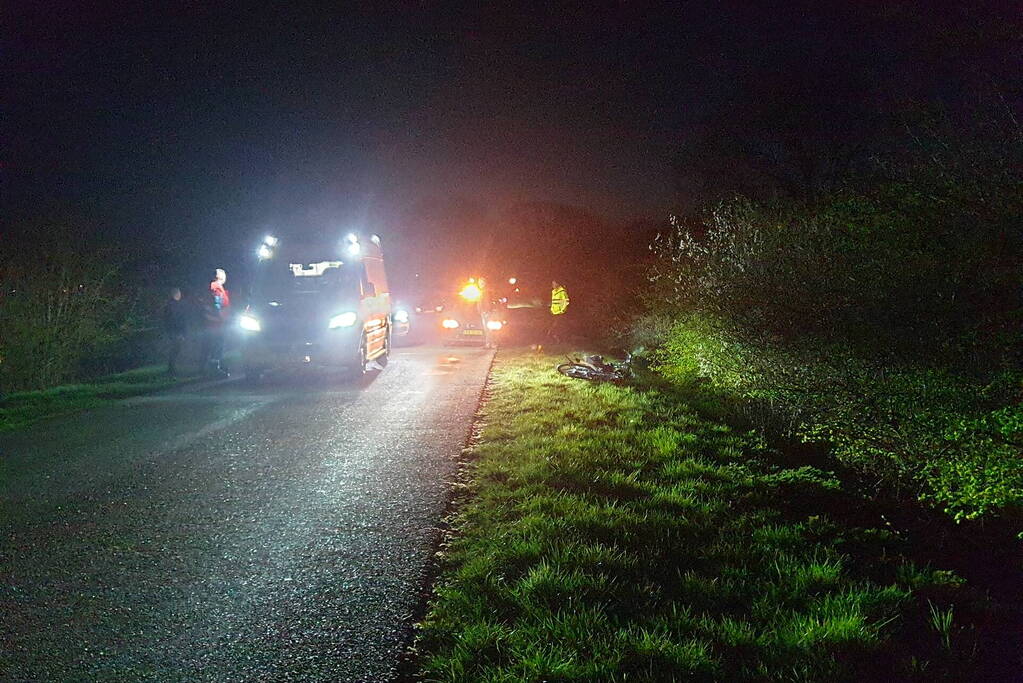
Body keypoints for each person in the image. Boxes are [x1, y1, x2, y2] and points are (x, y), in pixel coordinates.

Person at [203, 268, 231, 376]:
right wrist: (221, 318)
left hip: (214, 323)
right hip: (217, 324)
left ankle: (214, 366)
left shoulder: (213, 288)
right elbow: (217, 306)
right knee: (218, 346)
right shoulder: (217, 289)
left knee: (215, 345)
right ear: (221, 277)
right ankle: (214, 369)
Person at [163, 287, 188, 376]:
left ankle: (171, 368)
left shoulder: (169, 305)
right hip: (176, 332)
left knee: (175, 350)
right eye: (179, 293)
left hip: (172, 331)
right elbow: (178, 320)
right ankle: (171, 369)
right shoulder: (175, 305)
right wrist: (181, 333)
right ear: (176, 294)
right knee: (175, 350)